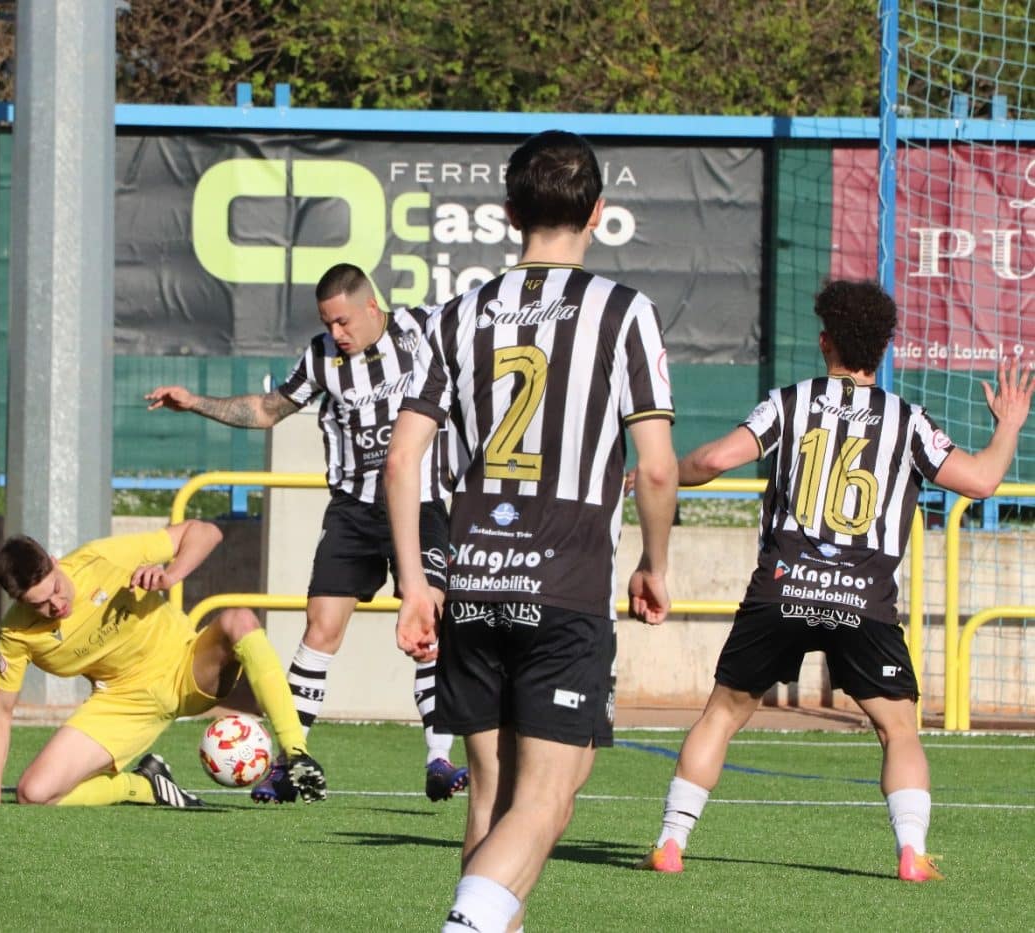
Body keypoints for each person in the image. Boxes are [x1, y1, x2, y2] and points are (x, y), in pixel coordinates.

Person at [636, 280, 1034, 883]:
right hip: (865, 600)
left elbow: (715, 461)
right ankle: (911, 854)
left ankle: (670, 841)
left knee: (721, 715)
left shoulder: (789, 402)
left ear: (825, 342)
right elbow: (979, 481)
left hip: (783, 587)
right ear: (884, 350)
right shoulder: (907, 420)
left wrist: (669, 473)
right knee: (898, 728)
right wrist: (1008, 423)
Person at [385, 130, 679, 933]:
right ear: (599, 214)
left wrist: (417, 582)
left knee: (491, 793)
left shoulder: (456, 313)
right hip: (567, 574)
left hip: (474, 574)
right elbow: (656, 468)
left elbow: (402, 460)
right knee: (549, 795)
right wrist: (655, 560)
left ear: (510, 213)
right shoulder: (624, 313)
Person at [145, 262, 469, 804]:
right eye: (328, 324)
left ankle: (439, 760)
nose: (336, 334)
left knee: (428, 621)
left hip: (421, 501)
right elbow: (268, 410)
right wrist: (195, 402)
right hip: (353, 510)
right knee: (320, 628)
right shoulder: (320, 357)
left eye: (343, 322)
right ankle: (289, 761)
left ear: (372, 306)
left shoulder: (422, 329)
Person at [0, 521, 327, 808]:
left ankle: (296, 754)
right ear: (18, 600)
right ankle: (144, 785)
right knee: (33, 794)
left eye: (55, 588)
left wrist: (170, 574)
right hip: (122, 703)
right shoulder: (16, 633)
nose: (55, 605)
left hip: (186, 667)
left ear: (56, 562)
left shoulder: (102, 558)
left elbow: (206, 533)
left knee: (239, 620)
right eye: (39, 604)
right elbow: (0, 712)